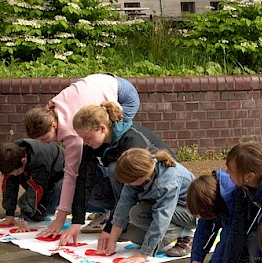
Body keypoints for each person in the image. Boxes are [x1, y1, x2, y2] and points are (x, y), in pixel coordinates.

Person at [24, 74, 140, 238]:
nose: (44, 144)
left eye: (45, 139)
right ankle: (110, 211)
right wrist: (76, 219)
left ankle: (119, 217)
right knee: (91, 160)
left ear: (54, 125)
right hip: (99, 81)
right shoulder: (49, 110)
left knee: (114, 159)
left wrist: (61, 218)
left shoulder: (73, 133)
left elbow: (72, 175)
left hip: (123, 94)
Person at [55, 101, 175, 247]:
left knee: (115, 169)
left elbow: (128, 191)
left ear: (102, 128)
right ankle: (118, 218)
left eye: (87, 138)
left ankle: (127, 221)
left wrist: (111, 228)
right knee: (79, 182)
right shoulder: (92, 143)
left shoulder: (133, 141)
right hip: (130, 191)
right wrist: (77, 221)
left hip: (158, 190)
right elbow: (84, 180)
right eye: (81, 138)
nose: (84, 143)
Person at [96, 148, 197, 263]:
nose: (127, 184)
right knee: (134, 224)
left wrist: (144, 253)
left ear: (141, 177)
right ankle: (172, 233)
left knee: (144, 217)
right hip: (171, 211)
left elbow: (162, 216)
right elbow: (123, 205)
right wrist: (112, 239)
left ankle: (187, 233)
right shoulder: (142, 173)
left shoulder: (167, 182)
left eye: (129, 181)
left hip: (191, 213)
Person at [181, 170, 252, 263]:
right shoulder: (211, 197)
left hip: (251, 227)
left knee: (244, 241)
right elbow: (203, 231)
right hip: (232, 223)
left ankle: (246, 259)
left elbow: (228, 238)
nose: (204, 217)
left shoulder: (232, 197)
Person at [0, 139, 64, 233]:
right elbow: (9, 186)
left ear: (24, 161)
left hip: (61, 175)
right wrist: (9, 214)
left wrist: (24, 217)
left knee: (37, 213)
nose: (15, 175)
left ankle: (69, 205)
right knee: (23, 202)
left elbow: (35, 189)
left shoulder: (40, 159)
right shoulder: (11, 156)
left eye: (17, 172)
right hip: (43, 176)